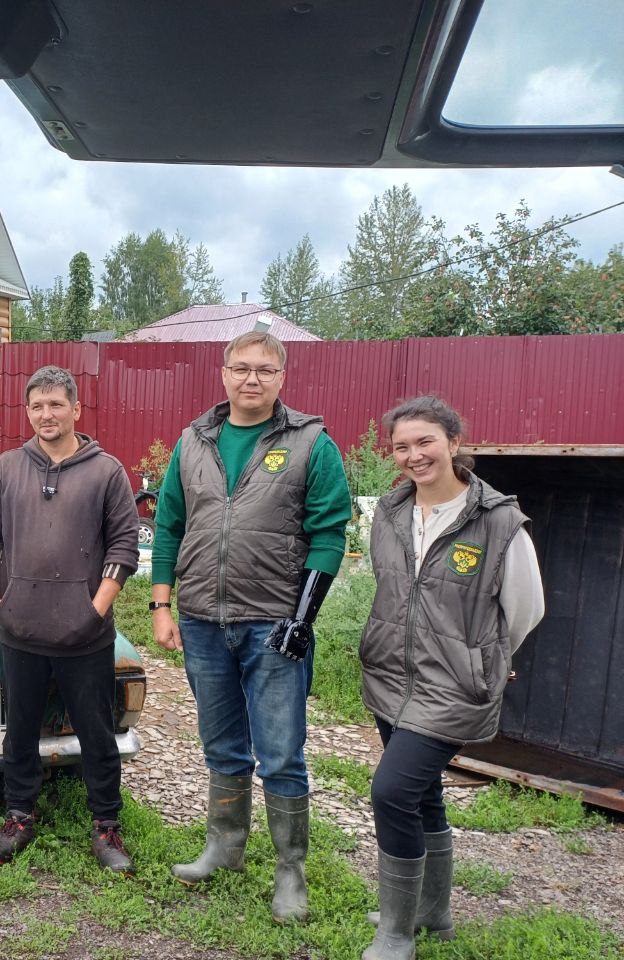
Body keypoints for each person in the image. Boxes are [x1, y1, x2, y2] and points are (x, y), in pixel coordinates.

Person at [151, 330, 351, 921]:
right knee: (221, 743)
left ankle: (291, 871)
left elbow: (330, 533)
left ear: (282, 377)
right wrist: (162, 605)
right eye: (241, 368)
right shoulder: (193, 442)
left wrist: (302, 619)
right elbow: (168, 525)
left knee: (282, 752)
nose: (251, 379)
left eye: (264, 370)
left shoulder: (312, 444)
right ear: (223, 374)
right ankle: (225, 847)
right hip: (204, 621)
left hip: (273, 623)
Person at [360, 396, 543, 960]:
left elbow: (527, 607)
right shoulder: (389, 514)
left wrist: (485, 658)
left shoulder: (497, 522)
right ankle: (432, 911)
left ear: (455, 443)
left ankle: (395, 931)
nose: (414, 456)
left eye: (426, 442)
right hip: (391, 675)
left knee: (391, 793)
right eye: (402, 446)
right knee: (424, 796)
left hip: (452, 688)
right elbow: (390, 588)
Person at [0, 365, 140, 873]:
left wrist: (95, 608)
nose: (47, 415)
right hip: (19, 630)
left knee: (96, 731)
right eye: (37, 406)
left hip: (85, 636)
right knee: (19, 729)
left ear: (75, 410)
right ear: (28, 411)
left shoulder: (106, 471)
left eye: (56, 405)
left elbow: (124, 545)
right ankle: (19, 817)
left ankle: (106, 826)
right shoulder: (6, 467)